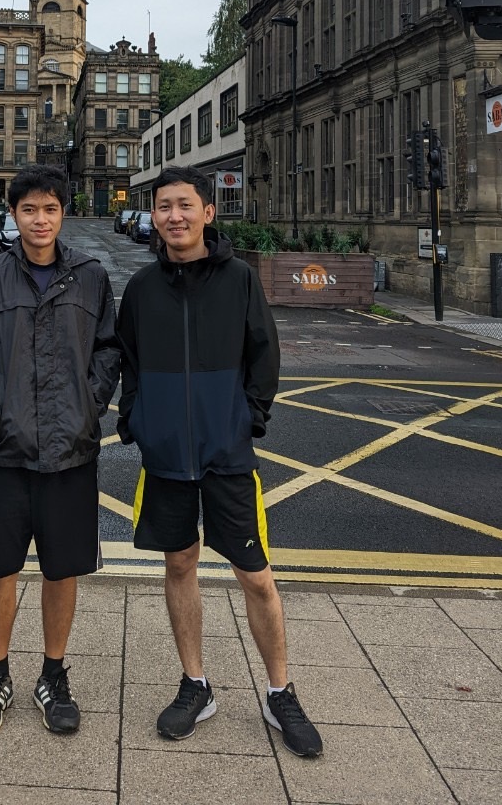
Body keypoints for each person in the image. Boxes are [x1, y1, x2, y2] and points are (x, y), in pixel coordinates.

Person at [117, 165, 323, 758]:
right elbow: (127, 360)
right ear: (153, 216)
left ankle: (280, 690)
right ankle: (195, 685)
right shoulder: (140, 289)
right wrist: (137, 419)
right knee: (178, 565)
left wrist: (245, 421)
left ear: (209, 212)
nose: (173, 216)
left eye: (184, 205)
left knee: (255, 574)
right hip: (165, 459)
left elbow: (265, 356)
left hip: (228, 457)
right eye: (163, 206)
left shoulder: (238, 280)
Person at [0, 164, 120, 736]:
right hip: (5, 449)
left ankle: (53, 672)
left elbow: (108, 351)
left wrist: (88, 404)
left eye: (49, 209)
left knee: (61, 569)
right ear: (14, 214)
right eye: (29, 210)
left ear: (62, 213)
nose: (40, 219)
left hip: (71, 451)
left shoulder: (91, 277)